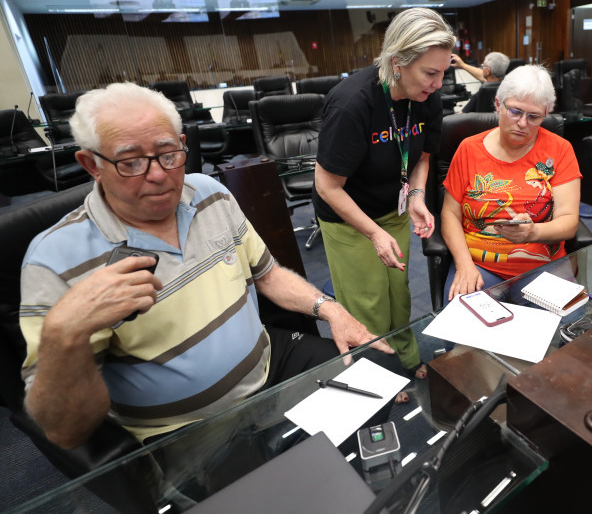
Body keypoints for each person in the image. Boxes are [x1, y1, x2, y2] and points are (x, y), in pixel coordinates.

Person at [19, 82, 393, 449]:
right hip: (183, 428)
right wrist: (63, 336)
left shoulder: (209, 193)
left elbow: (268, 273)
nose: (158, 174)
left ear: (183, 147)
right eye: (131, 162)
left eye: (168, 154)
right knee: (284, 488)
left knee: (379, 381)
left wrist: (330, 309)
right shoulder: (54, 260)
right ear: (92, 165)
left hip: (267, 365)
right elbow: (64, 431)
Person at [313, 8, 455, 388]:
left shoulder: (427, 95)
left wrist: (418, 198)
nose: (439, 84)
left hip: (394, 206)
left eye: (444, 72)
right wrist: (373, 232)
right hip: (349, 217)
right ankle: (379, 380)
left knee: (399, 293)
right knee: (368, 302)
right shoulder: (352, 103)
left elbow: (423, 156)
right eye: (430, 73)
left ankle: (407, 358)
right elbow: (327, 186)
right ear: (398, 63)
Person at [441, 65, 582, 301]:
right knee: (464, 333)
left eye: (534, 116)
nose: (522, 123)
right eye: (515, 111)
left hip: (542, 267)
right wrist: (464, 265)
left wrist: (534, 232)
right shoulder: (468, 149)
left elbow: (568, 222)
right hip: (479, 265)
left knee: (568, 330)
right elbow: (449, 215)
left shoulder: (560, 150)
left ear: (546, 114)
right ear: (498, 104)